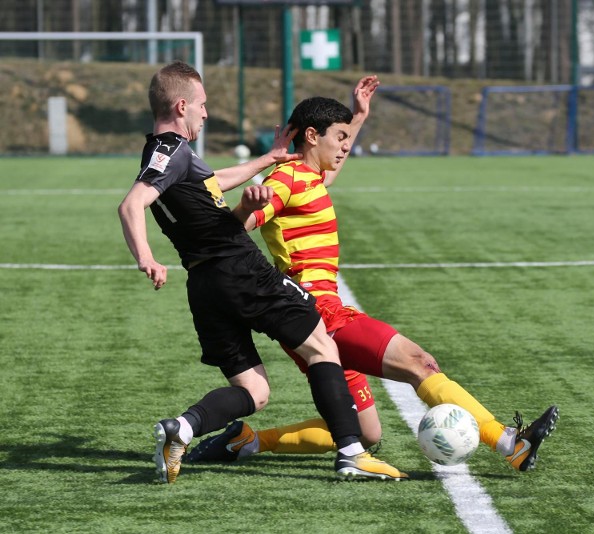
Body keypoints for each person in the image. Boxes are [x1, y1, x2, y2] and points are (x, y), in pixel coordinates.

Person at [187, 76, 559, 472]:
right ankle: (509, 443)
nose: (346, 146)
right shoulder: (286, 179)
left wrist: (359, 117)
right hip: (319, 314)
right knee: (420, 363)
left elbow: (329, 169)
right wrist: (246, 206)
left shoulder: (308, 175)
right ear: (312, 136)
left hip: (318, 314)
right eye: (340, 137)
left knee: (366, 433)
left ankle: (246, 442)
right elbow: (236, 228)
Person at [117, 60, 407, 484]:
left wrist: (266, 159)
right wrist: (145, 256)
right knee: (322, 345)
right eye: (202, 105)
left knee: (255, 392)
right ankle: (350, 452)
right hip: (239, 268)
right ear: (181, 106)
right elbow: (131, 204)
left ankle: (185, 427)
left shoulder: (166, 155)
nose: (206, 113)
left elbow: (213, 182)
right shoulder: (172, 151)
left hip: (204, 285)